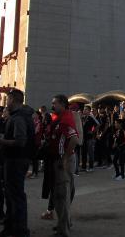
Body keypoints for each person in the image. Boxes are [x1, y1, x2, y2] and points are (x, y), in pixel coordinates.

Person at [0, 89, 35, 237]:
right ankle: (10, 228)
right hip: (14, 159)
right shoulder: (17, 116)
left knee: (16, 196)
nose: (6, 103)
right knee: (11, 195)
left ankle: (20, 230)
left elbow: (20, 141)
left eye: (7, 99)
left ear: (13, 100)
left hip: (16, 160)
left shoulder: (19, 118)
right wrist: (1, 136)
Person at [47, 94, 80, 237]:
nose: (52, 106)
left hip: (63, 161)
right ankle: (63, 224)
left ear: (62, 104)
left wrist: (65, 158)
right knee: (59, 195)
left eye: (54, 103)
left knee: (62, 195)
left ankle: (64, 229)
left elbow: (74, 139)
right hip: (59, 159)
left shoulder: (66, 119)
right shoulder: (59, 117)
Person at [81, 105, 99, 172]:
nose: (84, 111)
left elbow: (98, 124)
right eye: (84, 109)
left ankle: (91, 167)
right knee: (83, 152)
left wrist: (92, 131)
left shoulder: (91, 117)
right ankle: (83, 167)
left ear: (89, 111)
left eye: (86, 109)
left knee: (90, 152)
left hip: (89, 138)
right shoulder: (82, 118)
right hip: (83, 138)